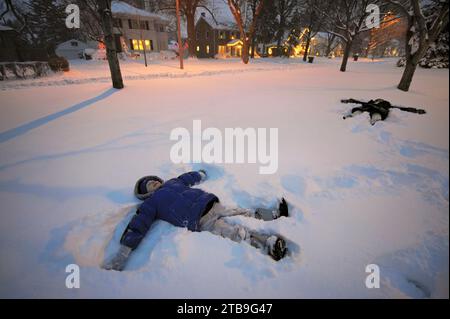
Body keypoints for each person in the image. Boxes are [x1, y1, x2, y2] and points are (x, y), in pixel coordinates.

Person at [103, 170, 289, 271]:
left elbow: (186, 178)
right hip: (199, 220)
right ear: (145, 194)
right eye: (149, 185)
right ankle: (268, 245)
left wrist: (199, 174)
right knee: (234, 233)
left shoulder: (173, 182)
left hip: (210, 203)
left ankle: (273, 214)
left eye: (154, 181)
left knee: (243, 211)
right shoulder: (151, 204)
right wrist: (124, 251)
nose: (154, 184)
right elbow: (139, 225)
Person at [342, 98, 426, 125]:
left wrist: (416, 111)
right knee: (361, 111)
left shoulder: (386, 104)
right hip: (370, 109)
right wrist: (348, 101)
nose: (378, 100)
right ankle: (351, 116)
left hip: (378, 112)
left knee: (376, 115)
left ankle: (374, 122)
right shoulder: (372, 102)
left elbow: (401, 108)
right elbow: (360, 103)